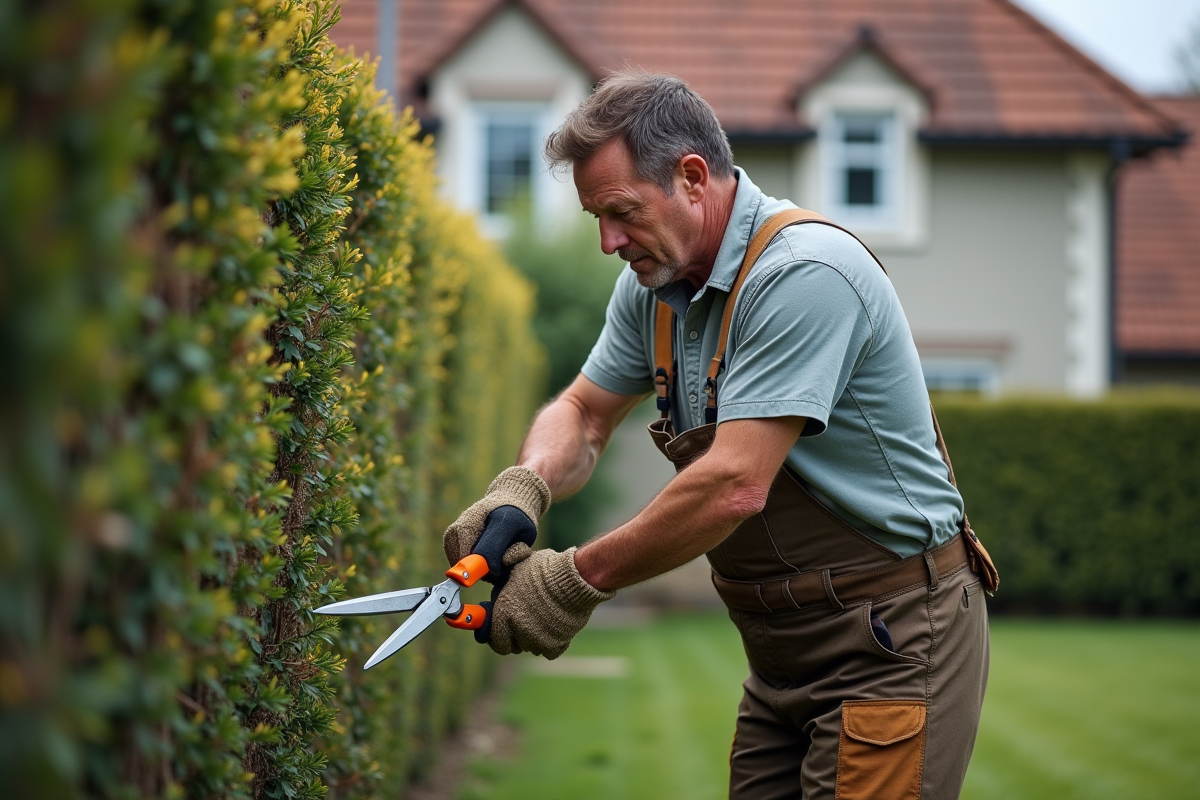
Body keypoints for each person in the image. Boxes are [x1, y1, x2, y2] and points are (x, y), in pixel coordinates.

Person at [442, 69, 996, 800]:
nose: (609, 241)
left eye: (621, 212)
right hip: (779, 655)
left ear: (693, 178)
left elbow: (735, 484)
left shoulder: (803, 274)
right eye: (595, 219)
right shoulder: (654, 287)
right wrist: (521, 493)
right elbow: (583, 411)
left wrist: (574, 581)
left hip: (892, 637)